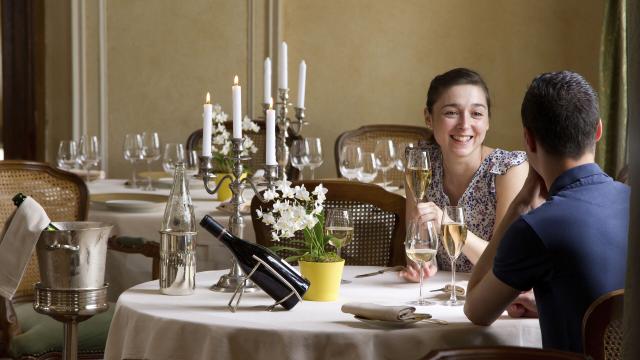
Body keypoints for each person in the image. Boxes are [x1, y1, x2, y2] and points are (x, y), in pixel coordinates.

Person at [464, 71, 629, 353]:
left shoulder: (537, 228)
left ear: (528, 140)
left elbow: (476, 311)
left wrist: (520, 206)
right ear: (598, 130)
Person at [401, 68, 528, 281]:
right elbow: (418, 248)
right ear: (428, 118)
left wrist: (448, 224)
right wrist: (422, 267)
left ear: (487, 121)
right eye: (451, 112)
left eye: (476, 113)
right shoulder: (420, 164)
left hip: (492, 301)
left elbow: (503, 262)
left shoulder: (508, 169)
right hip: (440, 295)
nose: (464, 124)